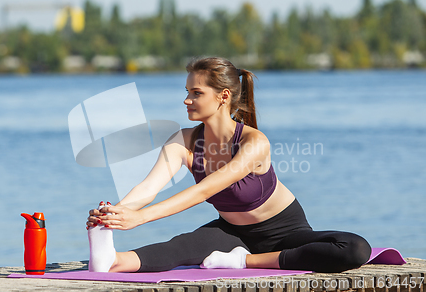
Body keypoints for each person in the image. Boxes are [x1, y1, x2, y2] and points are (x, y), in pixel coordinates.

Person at [86, 57, 372, 273]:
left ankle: (244, 261)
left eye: (196, 93)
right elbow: (148, 188)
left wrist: (141, 218)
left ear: (223, 97)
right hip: (233, 232)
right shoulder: (183, 140)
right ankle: (111, 260)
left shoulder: (254, 142)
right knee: (179, 246)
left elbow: (202, 192)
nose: (186, 100)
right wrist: (115, 214)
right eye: (186, 91)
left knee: (355, 248)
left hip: (285, 233)